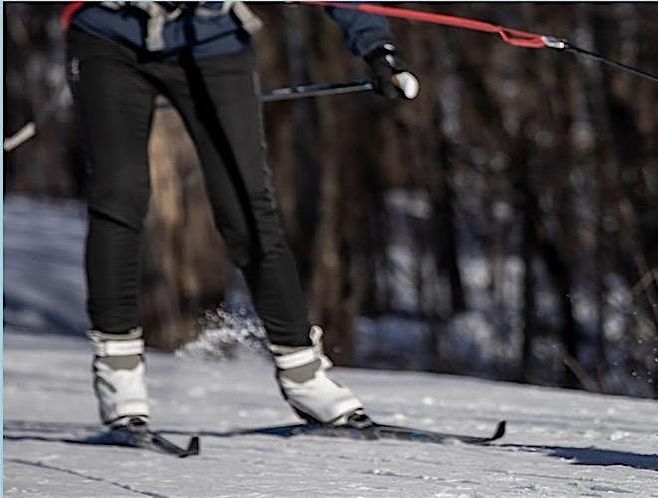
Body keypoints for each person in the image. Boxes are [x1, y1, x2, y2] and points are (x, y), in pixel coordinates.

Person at [63, 1, 416, 429]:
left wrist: (376, 47)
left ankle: (303, 375)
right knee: (119, 196)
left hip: (214, 42)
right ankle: (118, 372)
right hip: (110, 37)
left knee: (247, 208)